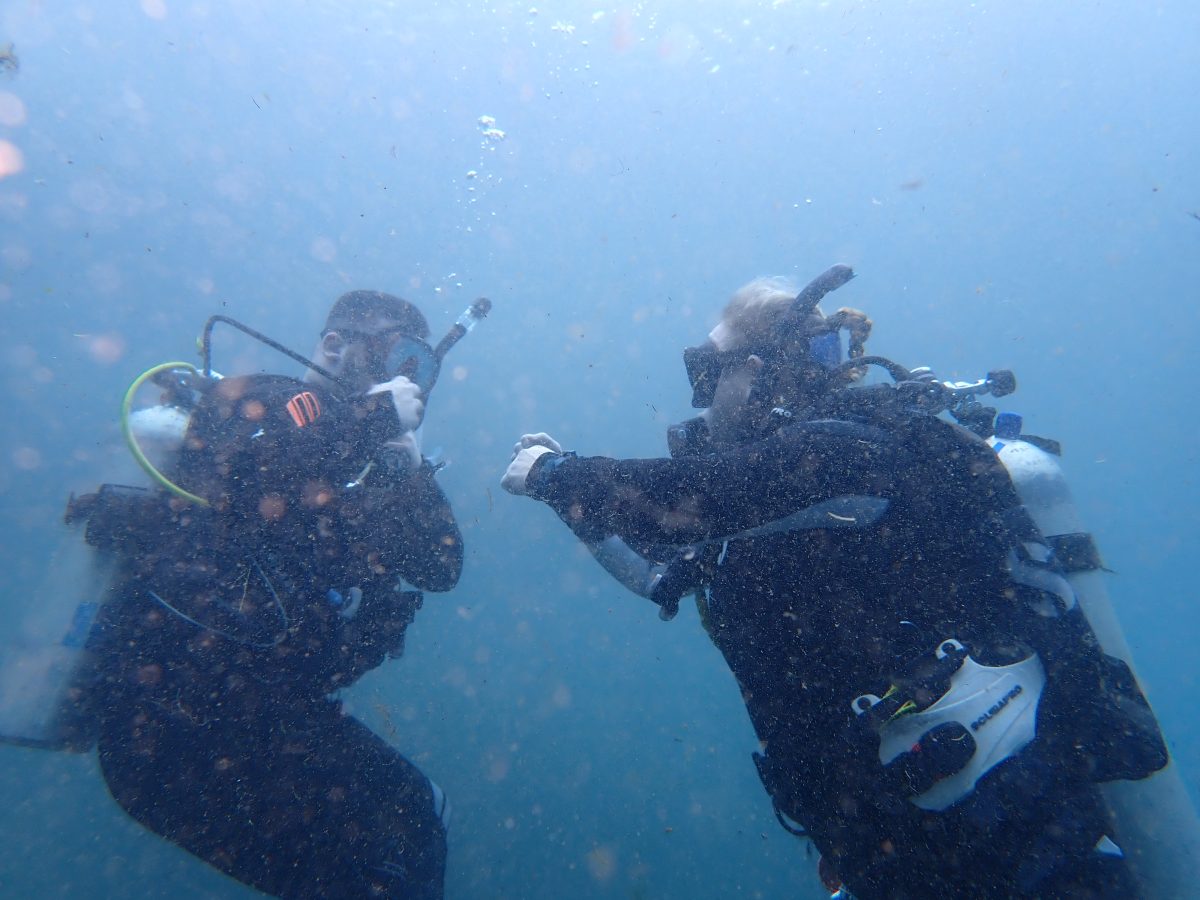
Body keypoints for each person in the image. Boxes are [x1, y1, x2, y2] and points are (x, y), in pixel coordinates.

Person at [501, 266, 1168, 898]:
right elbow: (659, 571)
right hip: (906, 846)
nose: (701, 399)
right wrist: (576, 510)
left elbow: (682, 505)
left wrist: (556, 474)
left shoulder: (843, 455)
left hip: (1012, 845)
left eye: (709, 372)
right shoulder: (780, 512)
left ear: (761, 370)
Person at [80, 290, 463, 898]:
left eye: (414, 361)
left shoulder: (360, 455)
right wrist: (373, 419)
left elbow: (442, 568)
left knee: (414, 824)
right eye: (390, 353)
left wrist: (411, 475)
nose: (403, 374)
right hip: (172, 723)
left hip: (266, 721)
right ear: (334, 345)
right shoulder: (264, 401)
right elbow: (248, 475)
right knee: (392, 849)